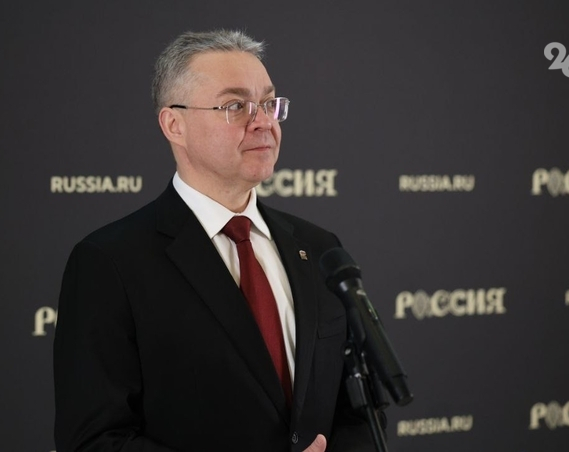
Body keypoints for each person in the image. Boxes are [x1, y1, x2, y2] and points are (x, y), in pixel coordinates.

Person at [54, 30, 378, 452]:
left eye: (269, 104)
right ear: (175, 125)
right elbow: (94, 440)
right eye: (236, 106)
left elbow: (361, 412)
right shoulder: (109, 262)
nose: (264, 122)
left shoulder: (319, 248)